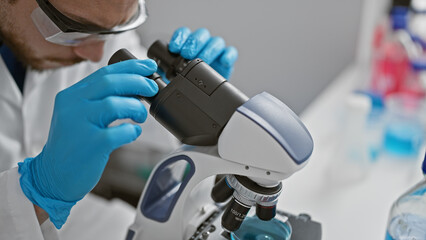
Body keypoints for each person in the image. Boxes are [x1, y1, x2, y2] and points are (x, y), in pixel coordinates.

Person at [0, 0, 238, 239]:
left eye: (115, 29)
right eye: (72, 30)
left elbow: (145, 124)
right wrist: (36, 193)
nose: (96, 55)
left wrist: (188, 110)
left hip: (72, 221)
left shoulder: (95, 14)